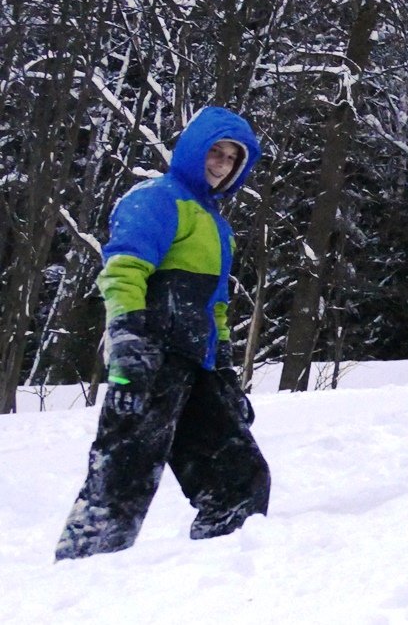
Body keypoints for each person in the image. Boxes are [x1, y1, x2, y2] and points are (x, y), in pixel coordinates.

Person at [55, 107, 271, 560]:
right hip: (150, 360)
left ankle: (217, 572)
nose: (221, 164)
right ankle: (79, 579)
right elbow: (123, 272)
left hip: (198, 367)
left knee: (238, 477)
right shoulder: (156, 199)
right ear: (194, 150)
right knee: (123, 480)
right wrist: (128, 342)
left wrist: (224, 371)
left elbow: (215, 306)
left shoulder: (219, 227)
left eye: (232, 158)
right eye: (215, 152)